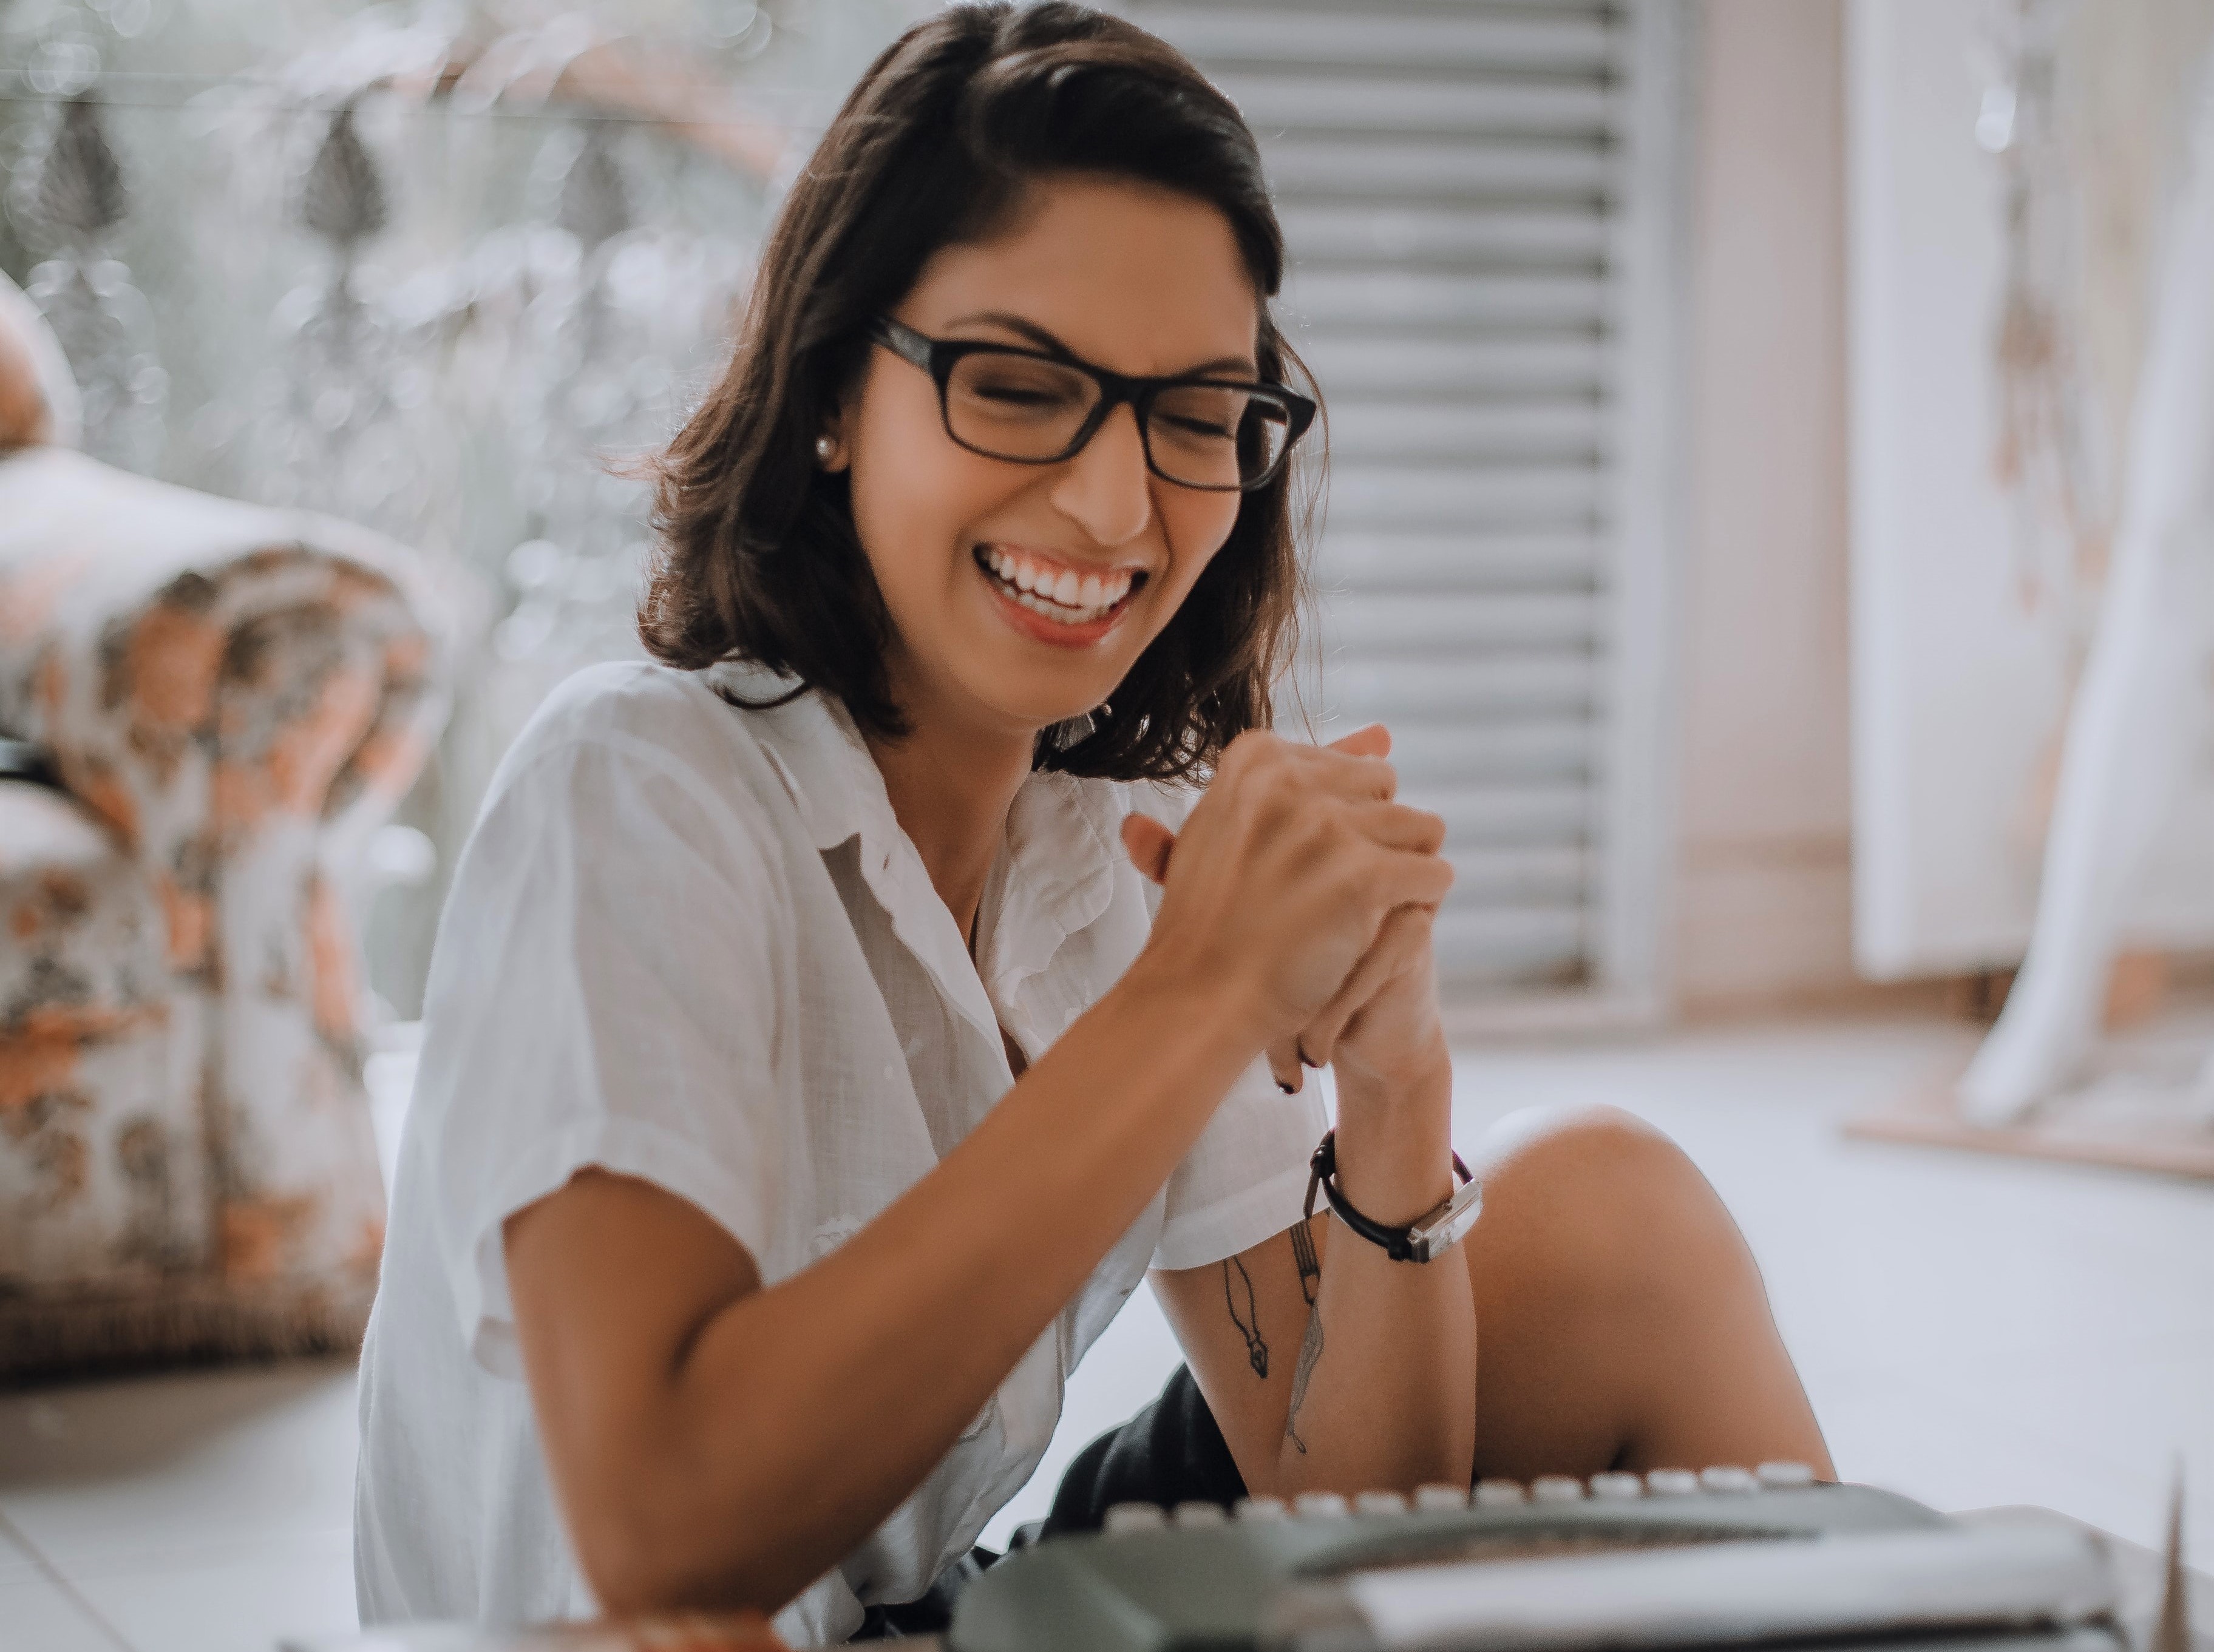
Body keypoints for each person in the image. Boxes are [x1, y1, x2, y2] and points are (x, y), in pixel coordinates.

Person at [353, 4, 1832, 1644]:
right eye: (1018, 385)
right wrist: (1196, 999)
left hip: (940, 1615)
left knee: (1620, 1215)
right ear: (836, 391)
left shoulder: (1107, 846)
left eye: (1196, 414)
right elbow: (663, 1541)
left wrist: (1395, 1095)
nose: (1118, 506)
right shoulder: (632, 791)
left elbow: (1369, 1516)